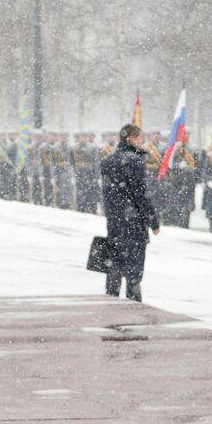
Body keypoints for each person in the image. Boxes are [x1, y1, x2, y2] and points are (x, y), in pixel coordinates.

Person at [100, 124, 161, 301]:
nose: (142, 141)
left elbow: (107, 193)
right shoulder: (134, 161)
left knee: (114, 267)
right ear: (131, 139)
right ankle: (133, 307)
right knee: (134, 271)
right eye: (139, 137)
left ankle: (111, 301)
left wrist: (113, 214)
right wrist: (153, 221)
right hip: (133, 222)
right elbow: (141, 195)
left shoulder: (108, 160)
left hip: (115, 221)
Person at [72, 132, 101, 214]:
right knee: (80, 193)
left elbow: (96, 162)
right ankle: (81, 208)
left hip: (90, 174)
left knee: (91, 193)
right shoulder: (74, 148)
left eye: (84, 137)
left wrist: (96, 176)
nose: (83, 139)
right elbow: (72, 163)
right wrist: (73, 174)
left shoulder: (92, 148)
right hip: (79, 174)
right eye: (81, 137)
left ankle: (92, 208)